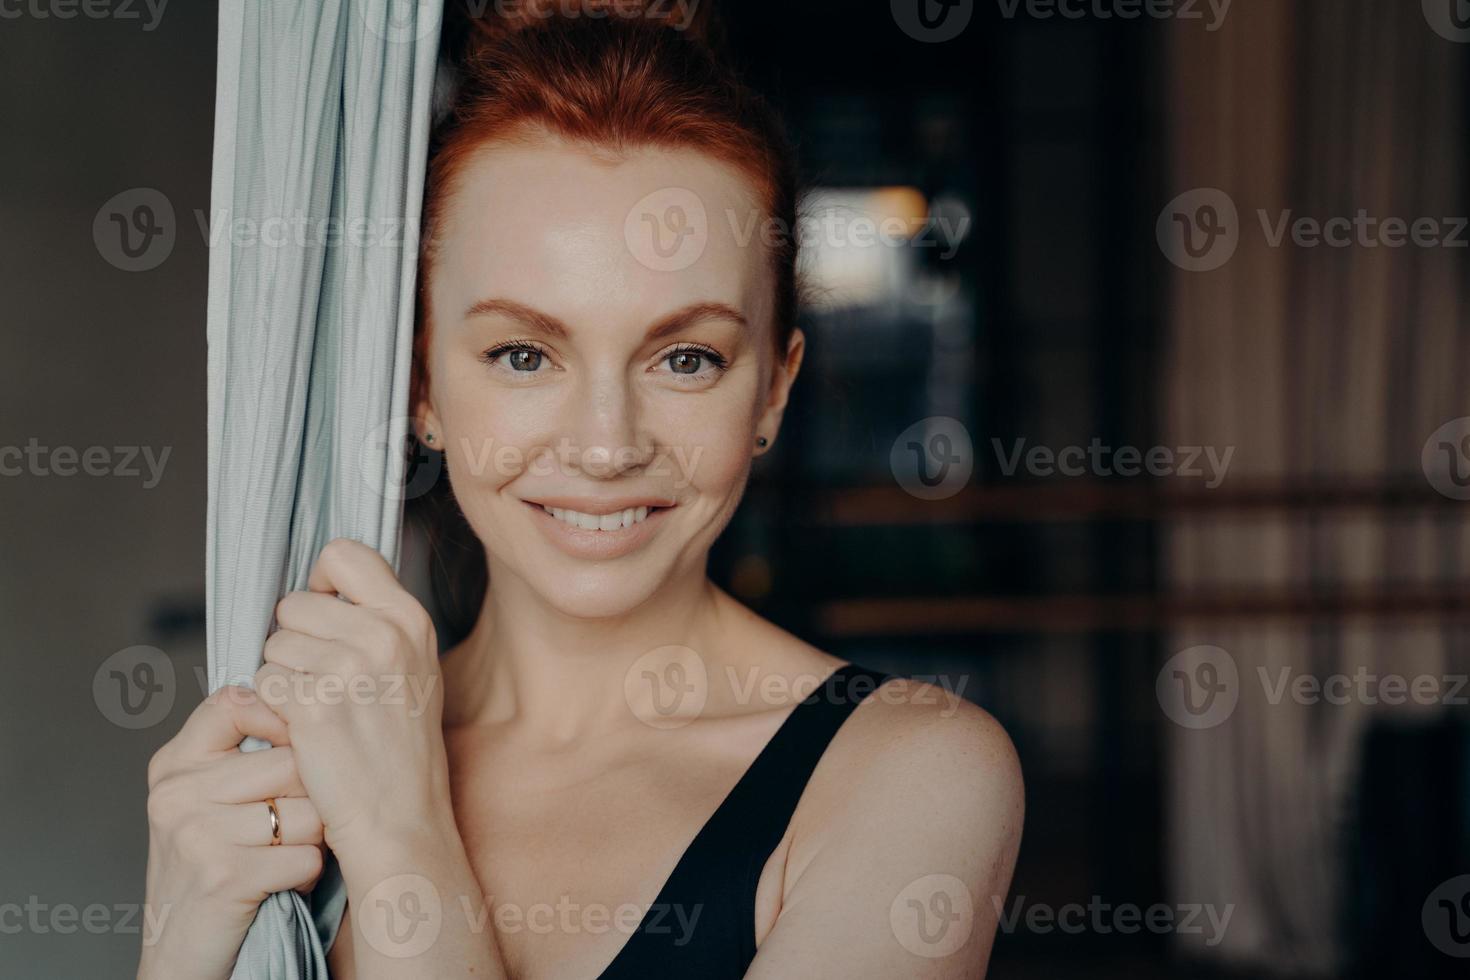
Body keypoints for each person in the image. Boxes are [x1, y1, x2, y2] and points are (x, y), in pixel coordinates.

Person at [139, 3, 1022, 977]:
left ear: (773, 386)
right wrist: (176, 947)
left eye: (685, 357)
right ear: (422, 386)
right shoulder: (297, 758)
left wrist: (404, 838)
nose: (607, 445)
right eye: (524, 353)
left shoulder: (911, 773)